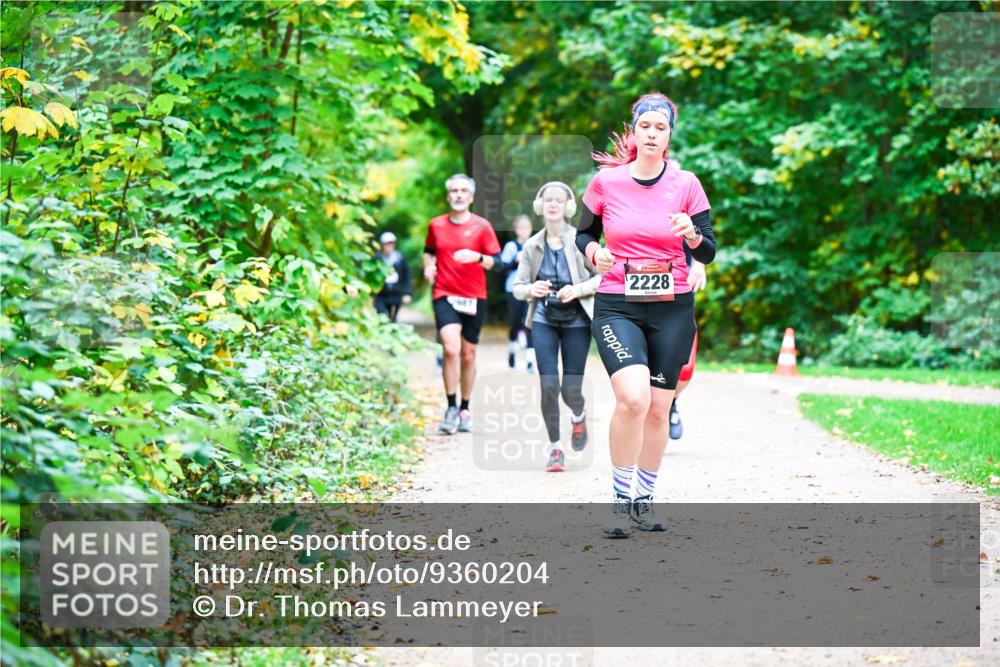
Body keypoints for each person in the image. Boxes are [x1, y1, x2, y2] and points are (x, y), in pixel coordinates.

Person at [576, 93, 716, 537]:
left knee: (659, 408)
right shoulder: (605, 183)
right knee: (633, 399)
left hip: (672, 308)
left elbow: (709, 250)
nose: (652, 134)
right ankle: (620, 500)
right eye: (645, 127)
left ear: (669, 135)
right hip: (618, 303)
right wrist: (594, 251)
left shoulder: (686, 184)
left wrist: (692, 234)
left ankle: (644, 498)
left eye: (660, 128)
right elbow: (583, 234)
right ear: (634, 132)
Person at [513, 182, 602, 472]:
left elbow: (602, 278)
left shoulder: (581, 241)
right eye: (548, 200)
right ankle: (555, 448)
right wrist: (532, 289)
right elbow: (518, 287)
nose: (553, 204)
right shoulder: (531, 245)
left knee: (570, 390)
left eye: (559, 200)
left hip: (577, 320)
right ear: (540, 205)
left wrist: (577, 291)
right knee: (549, 386)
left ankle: (578, 415)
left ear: (567, 207)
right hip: (544, 319)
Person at [423, 173, 502, 435]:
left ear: (471, 197)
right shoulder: (436, 225)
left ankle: (466, 408)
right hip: (444, 293)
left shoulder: (482, 226)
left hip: (474, 297)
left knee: (468, 355)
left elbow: (497, 262)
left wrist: (477, 257)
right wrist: (428, 268)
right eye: (454, 191)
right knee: (451, 349)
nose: (458, 195)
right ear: (448, 196)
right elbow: (429, 251)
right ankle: (451, 407)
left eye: (463, 191)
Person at [668, 258, 706, 441]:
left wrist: (699, 265)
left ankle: (671, 402)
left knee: (685, 371)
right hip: (639, 301)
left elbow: (702, 233)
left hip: (680, 296)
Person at [500, 215, 536, 372]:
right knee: (515, 322)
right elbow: (502, 267)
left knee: (529, 323)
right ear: (516, 230)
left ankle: (530, 362)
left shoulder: (535, 245)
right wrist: (516, 259)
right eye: (521, 228)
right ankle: (512, 351)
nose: (524, 231)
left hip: (530, 289)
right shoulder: (511, 246)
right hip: (513, 289)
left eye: (526, 228)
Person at [373, 231, 412, 322]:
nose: (389, 246)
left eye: (391, 243)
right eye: (386, 244)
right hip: (381, 295)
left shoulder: (400, 259)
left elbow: (407, 277)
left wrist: (407, 293)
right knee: (382, 317)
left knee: (393, 319)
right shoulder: (377, 259)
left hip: (396, 295)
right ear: (382, 245)